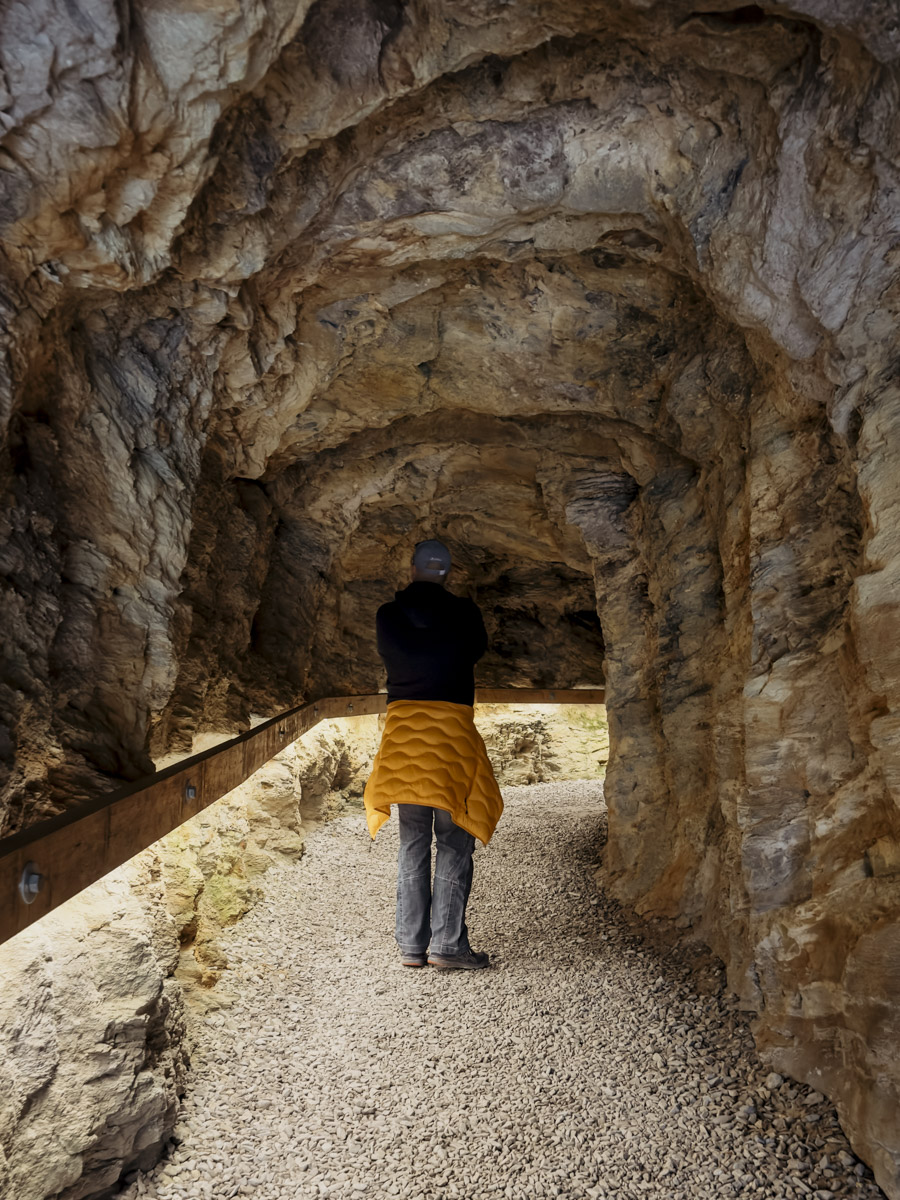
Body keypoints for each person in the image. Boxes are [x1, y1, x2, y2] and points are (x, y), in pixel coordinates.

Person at [363, 539, 503, 970]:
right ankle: (448, 945)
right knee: (455, 837)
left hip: (405, 737)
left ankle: (411, 947)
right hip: (451, 737)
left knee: (413, 841)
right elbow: (476, 650)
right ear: (449, 572)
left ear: (412, 568)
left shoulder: (388, 615)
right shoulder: (465, 614)